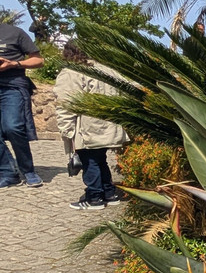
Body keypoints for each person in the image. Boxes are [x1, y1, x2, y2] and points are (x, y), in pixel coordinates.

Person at [54, 41, 129, 210]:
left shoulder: (72, 72)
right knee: (99, 158)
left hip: (88, 125)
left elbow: (66, 102)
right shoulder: (108, 70)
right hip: (109, 123)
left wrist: (67, 130)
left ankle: (94, 197)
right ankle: (109, 193)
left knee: (90, 160)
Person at [0, 21, 44, 188]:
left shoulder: (14, 33)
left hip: (12, 86)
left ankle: (28, 170)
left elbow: (39, 60)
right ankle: (8, 172)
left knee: (13, 128)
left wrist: (14, 64)